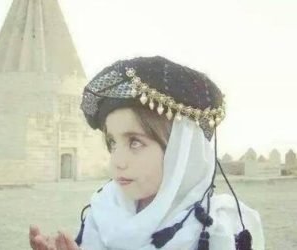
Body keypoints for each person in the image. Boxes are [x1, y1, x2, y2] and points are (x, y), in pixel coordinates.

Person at [29, 56, 265, 250]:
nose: (117, 164)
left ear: (182, 152)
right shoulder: (102, 211)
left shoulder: (222, 231)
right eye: (112, 143)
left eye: (135, 143)